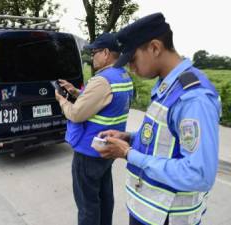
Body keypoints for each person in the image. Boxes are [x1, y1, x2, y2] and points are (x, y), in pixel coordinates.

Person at [95, 13, 221, 225]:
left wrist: (128, 154)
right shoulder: (167, 86)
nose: (131, 69)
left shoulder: (193, 98)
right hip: (149, 211)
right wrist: (129, 138)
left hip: (168, 218)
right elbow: (166, 140)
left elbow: (199, 174)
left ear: (155, 47)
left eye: (133, 60)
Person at [55, 33, 134, 225]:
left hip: (88, 152)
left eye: (95, 52)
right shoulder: (123, 76)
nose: (92, 57)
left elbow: (76, 114)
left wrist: (62, 100)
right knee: (105, 198)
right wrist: (76, 92)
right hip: (107, 149)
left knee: (87, 205)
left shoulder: (101, 80)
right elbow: (104, 101)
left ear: (106, 53)